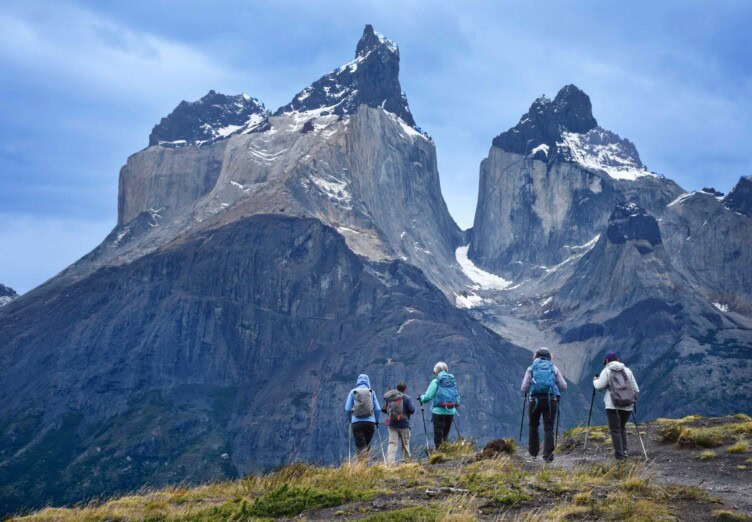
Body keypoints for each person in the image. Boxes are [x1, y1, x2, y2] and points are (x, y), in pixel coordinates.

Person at [520, 347, 567, 463]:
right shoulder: (553, 368)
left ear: (536, 356)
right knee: (548, 427)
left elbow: (524, 387)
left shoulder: (531, 368)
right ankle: (548, 456)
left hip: (534, 401)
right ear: (549, 357)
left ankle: (533, 454)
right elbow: (564, 387)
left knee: (533, 425)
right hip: (551, 401)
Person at [593, 351, 639, 461]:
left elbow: (599, 386)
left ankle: (619, 457)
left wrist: (595, 381)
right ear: (618, 360)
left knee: (615, 429)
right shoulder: (627, 370)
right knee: (622, 426)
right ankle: (624, 451)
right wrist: (631, 400)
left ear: (607, 361)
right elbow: (636, 390)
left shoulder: (606, 371)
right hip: (628, 405)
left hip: (612, 405)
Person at [418, 362, 461, 449]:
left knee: (438, 433)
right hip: (451, 411)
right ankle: (446, 451)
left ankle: (439, 453)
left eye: (434, 372)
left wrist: (421, 398)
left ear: (436, 372)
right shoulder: (452, 380)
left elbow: (428, 396)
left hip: (438, 411)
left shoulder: (436, 381)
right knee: (445, 434)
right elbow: (457, 397)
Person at [344, 374, 381, 462]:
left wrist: (350, 419)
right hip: (370, 423)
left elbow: (347, 409)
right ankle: (365, 466)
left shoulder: (353, 392)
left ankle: (362, 467)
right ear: (368, 381)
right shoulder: (371, 392)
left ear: (358, 381)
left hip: (356, 423)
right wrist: (376, 421)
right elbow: (378, 409)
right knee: (367, 445)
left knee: (360, 445)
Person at [382, 382, 416, 465]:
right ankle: (405, 462)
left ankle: (390, 463)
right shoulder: (407, 398)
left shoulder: (391, 398)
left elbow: (383, 409)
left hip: (392, 424)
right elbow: (412, 410)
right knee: (405, 443)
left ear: (397, 389)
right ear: (405, 389)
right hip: (404, 425)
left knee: (392, 443)